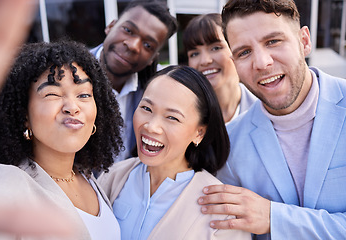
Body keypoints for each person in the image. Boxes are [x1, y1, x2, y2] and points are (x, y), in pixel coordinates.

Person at [197, 0, 346, 239]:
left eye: (273, 41)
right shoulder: (230, 141)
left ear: (304, 41)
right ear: (235, 64)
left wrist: (274, 218)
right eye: (244, 52)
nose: (262, 63)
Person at [0, 40, 124, 240]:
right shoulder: (7, 181)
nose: (72, 107)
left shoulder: (88, 178)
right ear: (24, 114)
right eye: (52, 94)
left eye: (84, 95)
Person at [98, 65, 251, 240]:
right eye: (146, 108)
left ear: (199, 132)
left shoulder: (222, 212)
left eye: (172, 117)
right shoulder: (112, 177)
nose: (151, 126)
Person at [91, 0, 178, 162]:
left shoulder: (157, 86)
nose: (133, 46)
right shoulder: (68, 72)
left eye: (148, 45)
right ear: (111, 26)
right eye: (128, 30)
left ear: (153, 58)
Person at [183, 13, 256, 124]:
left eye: (216, 48)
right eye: (194, 54)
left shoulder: (265, 109)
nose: (204, 61)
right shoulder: (182, 115)